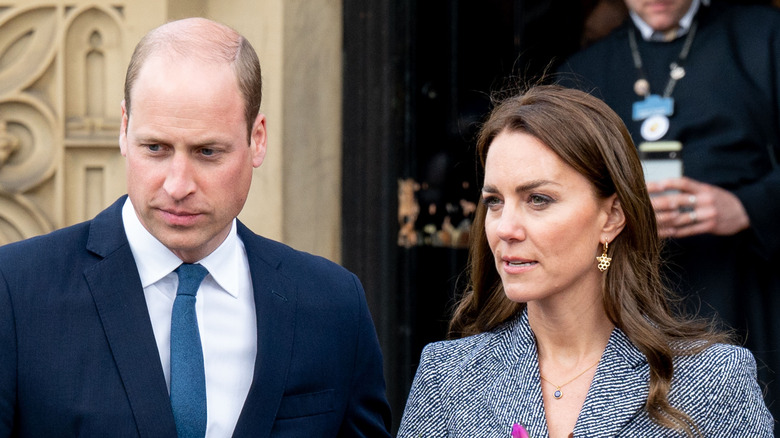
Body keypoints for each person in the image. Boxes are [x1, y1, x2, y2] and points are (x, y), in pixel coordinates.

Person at [0, 18, 391, 437]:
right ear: (123, 128)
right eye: (156, 148)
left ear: (256, 139)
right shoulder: (17, 292)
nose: (178, 185)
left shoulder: (332, 306)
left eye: (207, 152)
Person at [397, 85, 773, 437]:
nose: (504, 228)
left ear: (610, 217)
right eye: (494, 201)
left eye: (538, 199)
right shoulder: (448, 375)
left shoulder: (711, 379)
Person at [556, 0, 780, 419]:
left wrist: (748, 206)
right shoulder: (582, 72)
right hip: (629, 299)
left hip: (744, 290)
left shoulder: (765, 37)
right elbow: (555, 191)